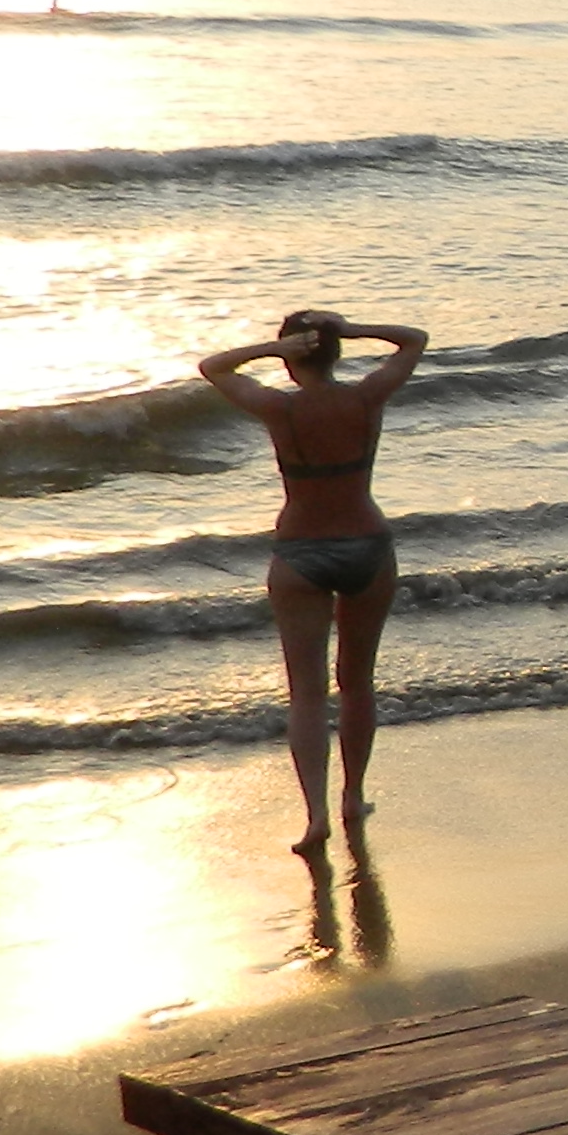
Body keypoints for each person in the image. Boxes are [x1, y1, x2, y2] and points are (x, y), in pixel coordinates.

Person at [198, 308, 427, 853]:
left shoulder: (280, 408)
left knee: (307, 693)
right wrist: (349, 331)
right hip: (367, 544)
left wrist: (271, 350)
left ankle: (316, 817)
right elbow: (414, 340)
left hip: (301, 552)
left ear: (295, 357)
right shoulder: (365, 399)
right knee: (357, 682)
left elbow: (214, 367)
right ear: (337, 353)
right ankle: (354, 795)